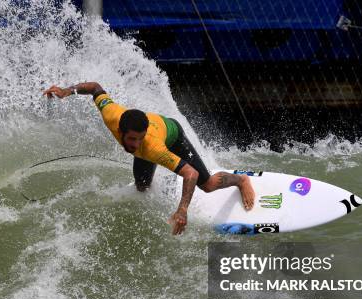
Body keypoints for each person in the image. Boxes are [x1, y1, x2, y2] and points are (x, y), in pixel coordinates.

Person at [43, 82, 255, 235]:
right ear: (120, 130)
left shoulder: (151, 147)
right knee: (142, 186)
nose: (135, 144)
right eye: (132, 139)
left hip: (172, 135)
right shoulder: (111, 114)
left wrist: (182, 210)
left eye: (139, 139)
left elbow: (191, 173)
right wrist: (66, 91)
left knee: (206, 184)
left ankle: (241, 180)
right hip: (151, 138)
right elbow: (95, 88)